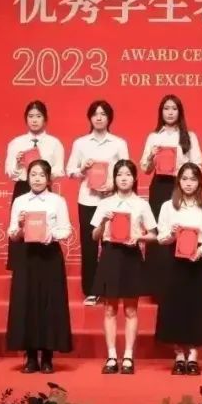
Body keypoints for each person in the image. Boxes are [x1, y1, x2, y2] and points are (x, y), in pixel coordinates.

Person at [91, 159, 158, 375]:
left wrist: (140, 237)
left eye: (128, 174)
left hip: (131, 256)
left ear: (134, 178)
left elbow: (154, 234)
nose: (123, 178)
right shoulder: (105, 204)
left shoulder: (141, 204)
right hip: (110, 255)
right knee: (109, 309)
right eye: (119, 174)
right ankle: (111, 356)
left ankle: (128, 356)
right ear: (114, 178)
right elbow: (95, 236)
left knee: (131, 309)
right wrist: (103, 222)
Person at [154, 163, 202, 375]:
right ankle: (178, 355)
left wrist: (201, 251)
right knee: (175, 307)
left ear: (199, 182)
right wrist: (171, 234)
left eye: (193, 179)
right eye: (184, 179)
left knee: (197, 307)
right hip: (174, 261)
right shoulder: (168, 206)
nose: (188, 183)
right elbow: (161, 237)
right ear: (178, 181)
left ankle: (193, 355)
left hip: (198, 261)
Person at [6, 159, 73, 374]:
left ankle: (48, 357)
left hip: (49, 256)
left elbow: (66, 229)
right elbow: (12, 234)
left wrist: (51, 235)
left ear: (48, 179)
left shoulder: (57, 201)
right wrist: (19, 226)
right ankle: (31, 356)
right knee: (27, 303)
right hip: (26, 256)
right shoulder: (20, 201)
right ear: (27, 177)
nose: (37, 179)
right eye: (33, 174)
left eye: (41, 175)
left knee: (49, 304)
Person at [66, 100, 130, 305]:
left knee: (113, 244)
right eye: (95, 114)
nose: (99, 117)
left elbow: (127, 169)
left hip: (112, 200)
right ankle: (91, 290)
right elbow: (70, 171)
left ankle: (113, 287)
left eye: (103, 114)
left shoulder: (118, 143)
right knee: (90, 246)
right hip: (88, 199)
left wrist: (113, 184)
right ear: (90, 118)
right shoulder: (81, 143)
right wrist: (82, 169)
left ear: (109, 118)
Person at [140, 95, 202, 301]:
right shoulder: (153, 137)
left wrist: (183, 172)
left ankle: (179, 284)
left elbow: (198, 165)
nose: (170, 112)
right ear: (161, 112)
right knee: (160, 232)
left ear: (180, 112)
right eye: (166, 108)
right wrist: (151, 156)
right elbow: (145, 168)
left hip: (181, 187)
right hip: (159, 186)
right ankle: (157, 288)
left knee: (180, 230)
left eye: (174, 109)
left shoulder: (189, 137)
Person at [4, 100, 65, 273]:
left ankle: (44, 264)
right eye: (31, 116)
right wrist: (18, 164)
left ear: (45, 119)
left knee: (43, 226)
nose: (34, 120)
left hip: (45, 188)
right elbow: (10, 172)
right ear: (26, 119)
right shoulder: (16, 143)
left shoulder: (54, 143)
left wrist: (42, 171)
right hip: (23, 187)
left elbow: (60, 169)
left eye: (38, 116)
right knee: (20, 225)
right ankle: (19, 268)